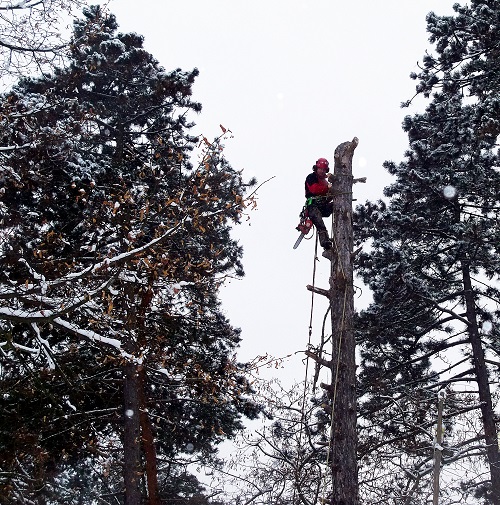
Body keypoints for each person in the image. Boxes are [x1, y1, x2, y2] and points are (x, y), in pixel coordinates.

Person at [304, 157, 334, 252]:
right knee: (320, 224)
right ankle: (325, 242)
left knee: (336, 205)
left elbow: (328, 195)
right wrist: (328, 188)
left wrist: (331, 191)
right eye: (320, 169)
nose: (322, 171)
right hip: (313, 206)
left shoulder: (325, 181)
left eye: (324, 169)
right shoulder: (311, 177)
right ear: (316, 168)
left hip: (323, 206)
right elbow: (314, 189)